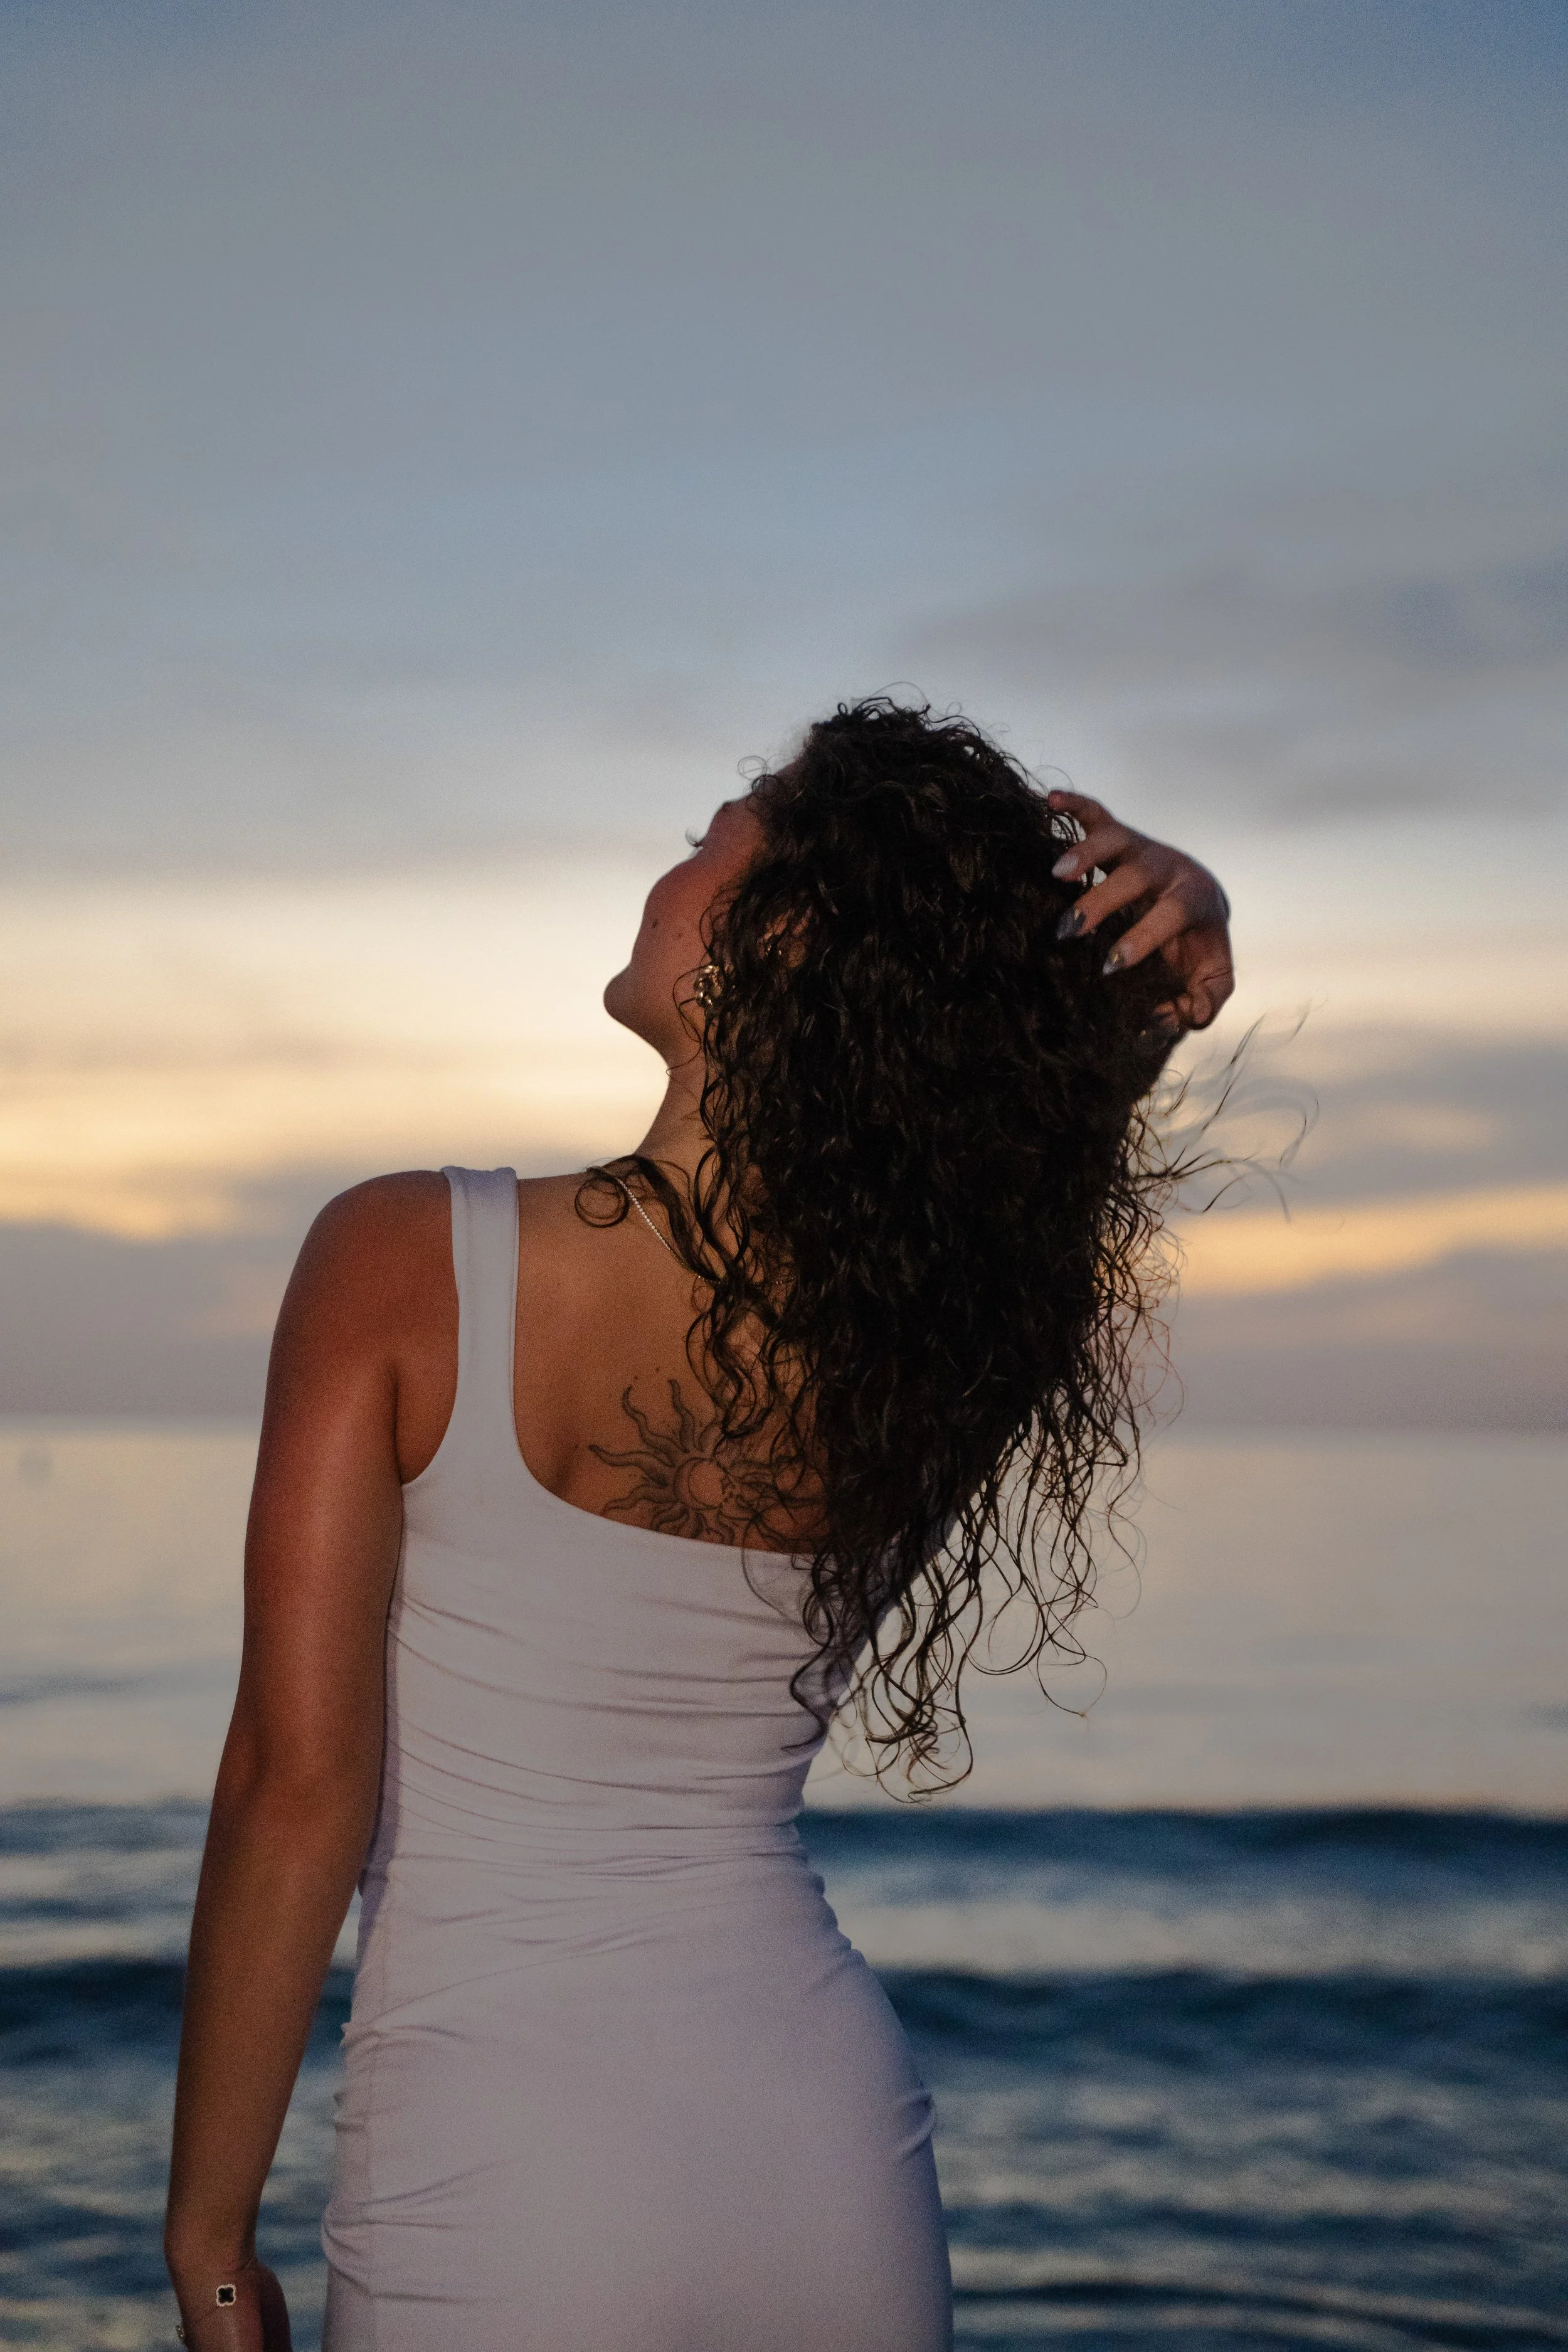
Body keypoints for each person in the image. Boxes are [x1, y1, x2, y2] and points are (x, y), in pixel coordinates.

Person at [164, 697, 1233, 2351]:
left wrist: (212, 2245)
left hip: (504, 2173)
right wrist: (1166, 965)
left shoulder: (401, 1257)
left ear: (785, 934)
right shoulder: (927, 1347)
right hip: (826, 2157)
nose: (668, 868)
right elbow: (1020, 1155)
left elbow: (297, 1788)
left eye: (706, 841)